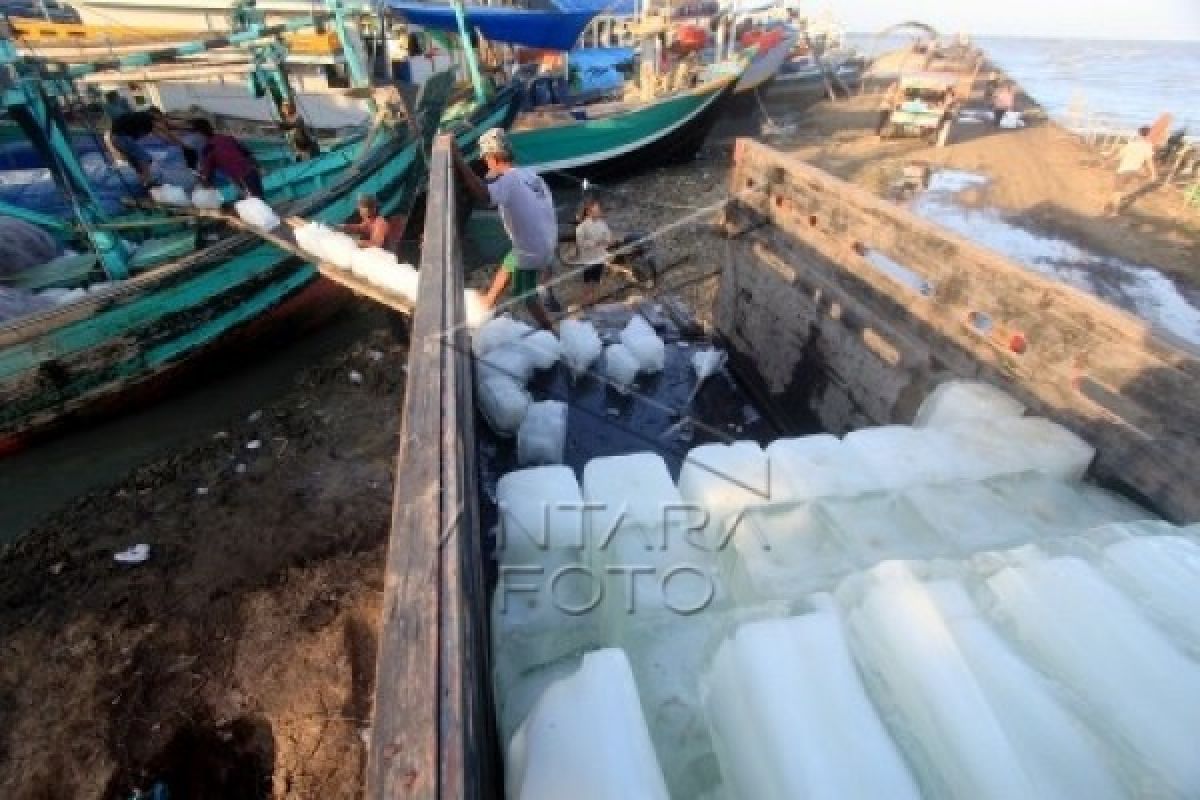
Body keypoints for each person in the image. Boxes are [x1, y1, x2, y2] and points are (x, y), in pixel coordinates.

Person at [451, 128, 557, 331]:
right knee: (510, 261)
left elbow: (484, 196)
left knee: (525, 294)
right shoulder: (530, 175)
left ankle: (549, 330)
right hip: (548, 242)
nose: (485, 163)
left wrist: (458, 160)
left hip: (533, 251)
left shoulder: (508, 180)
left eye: (486, 159)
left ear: (493, 157)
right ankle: (489, 300)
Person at [106, 107, 189, 187]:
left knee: (136, 162)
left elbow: (160, 134)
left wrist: (171, 142)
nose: (161, 121)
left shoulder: (141, 119)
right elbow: (165, 132)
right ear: (156, 116)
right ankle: (148, 182)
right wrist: (182, 145)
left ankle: (142, 181)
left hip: (114, 138)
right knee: (145, 158)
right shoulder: (148, 118)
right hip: (121, 137)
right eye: (160, 118)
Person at [190, 118, 264, 198]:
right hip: (252, 172)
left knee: (253, 201)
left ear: (199, 133)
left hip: (242, 180)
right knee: (259, 200)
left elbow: (207, 176)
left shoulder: (208, 149)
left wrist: (201, 182)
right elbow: (247, 154)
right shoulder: (228, 138)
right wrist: (259, 167)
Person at [1105, 125, 1158, 215]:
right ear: (1148, 135)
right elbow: (1149, 162)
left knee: (1118, 191)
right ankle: (1110, 205)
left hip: (1123, 170)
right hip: (1134, 171)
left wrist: (1110, 160)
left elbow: (1119, 156)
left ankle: (1114, 210)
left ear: (1139, 134)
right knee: (1118, 190)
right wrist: (1153, 174)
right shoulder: (1148, 147)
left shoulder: (1131, 144)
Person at [575, 194, 613, 309]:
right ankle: (585, 302)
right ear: (589, 212)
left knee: (596, 280)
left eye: (599, 210)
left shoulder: (603, 224)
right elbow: (580, 243)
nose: (599, 212)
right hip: (588, 259)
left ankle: (594, 301)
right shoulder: (581, 227)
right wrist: (595, 243)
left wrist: (607, 241)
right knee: (587, 281)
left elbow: (608, 237)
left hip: (599, 257)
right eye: (596, 210)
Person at [338, 194, 405, 253]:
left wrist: (356, 242)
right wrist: (344, 227)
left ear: (373, 209)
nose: (359, 210)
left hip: (383, 256)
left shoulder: (380, 224)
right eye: (360, 207)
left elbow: (376, 245)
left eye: (363, 207)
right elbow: (360, 228)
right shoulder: (369, 219)